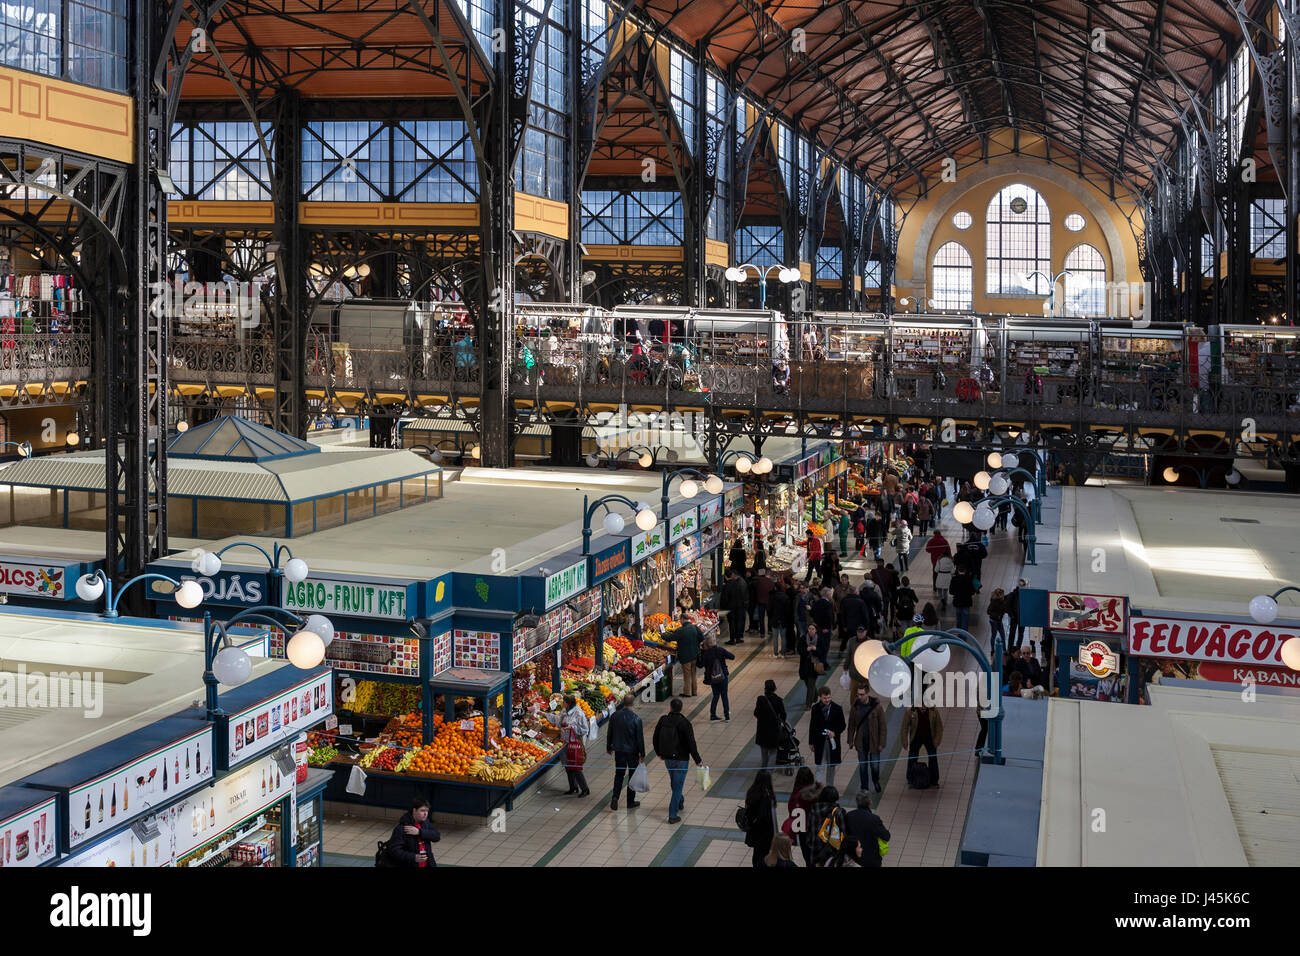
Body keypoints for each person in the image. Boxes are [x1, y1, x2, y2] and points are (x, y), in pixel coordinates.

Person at [651, 697, 702, 823]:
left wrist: (659, 753)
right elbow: (691, 743)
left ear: (670, 707)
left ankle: (680, 800)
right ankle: (672, 815)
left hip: (667, 758)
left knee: (675, 782)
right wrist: (698, 760)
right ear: (681, 709)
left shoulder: (663, 720)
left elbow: (655, 737)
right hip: (681, 759)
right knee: (677, 786)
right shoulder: (685, 723)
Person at [606, 692, 645, 811]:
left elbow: (610, 733)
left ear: (623, 702)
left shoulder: (614, 716)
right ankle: (630, 801)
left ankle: (615, 797)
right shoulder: (636, 719)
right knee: (632, 776)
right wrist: (642, 753)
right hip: (632, 752)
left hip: (619, 750)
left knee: (619, 775)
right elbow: (639, 738)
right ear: (633, 703)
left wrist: (609, 747)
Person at [846, 685, 886, 794]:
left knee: (875, 765)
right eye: (858, 694)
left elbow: (883, 726)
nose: (859, 696)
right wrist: (850, 740)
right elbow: (851, 725)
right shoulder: (855, 707)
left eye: (862, 694)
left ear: (867, 693)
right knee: (863, 766)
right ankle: (864, 787)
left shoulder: (876, 707)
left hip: (874, 742)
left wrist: (882, 743)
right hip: (861, 742)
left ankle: (875, 780)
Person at [385, 797, 441, 867]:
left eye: (427, 811)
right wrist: (413, 857)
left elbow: (437, 836)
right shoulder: (402, 828)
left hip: (427, 864)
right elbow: (394, 851)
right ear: (414, 811)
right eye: (422, 811)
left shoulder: (426, 823)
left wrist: (419, 832)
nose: (425, 814)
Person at [808, 687, 846, 788]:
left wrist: (835, 732)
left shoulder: (837, 709)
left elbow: (842, 725)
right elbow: (812, 726)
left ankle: (829, 787)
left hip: (832, 742)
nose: (827, 700)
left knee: (831, 766)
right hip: (819, 742)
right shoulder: (815, 708)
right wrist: (811, 742)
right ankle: (818, 787)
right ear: (820, 697)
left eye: (829, 697)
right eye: (825, 698)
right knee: (820, 765)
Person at [843, 790, 891, 867]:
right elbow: (886, 836)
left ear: (857, 802)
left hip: (854, 858)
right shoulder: (874, 819)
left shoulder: (849, 816)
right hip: (872, 859)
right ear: (870, 802)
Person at [901, 703, 943, 788]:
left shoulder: (933, 710)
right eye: (921, 705)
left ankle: (934, 780)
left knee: (933, 758)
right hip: (916, 737)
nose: (923, 707)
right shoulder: (910, 711)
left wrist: (937, 740)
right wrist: (905, 742)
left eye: (925, 705)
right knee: (912, 758)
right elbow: (904, 727)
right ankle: (911, 779)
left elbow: (939, 727)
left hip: (929, 737)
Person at [743, 771, 779, 867]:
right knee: (764, 855)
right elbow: (765, 817)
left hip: (754, 831)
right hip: (764, 834)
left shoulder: (751, 792)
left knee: (757, 854)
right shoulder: (766, 796)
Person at [785, 767, 819, 867]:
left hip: (803, 829)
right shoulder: (815, 791)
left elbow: (791, 809)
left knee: (808, 857)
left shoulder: (797, 792)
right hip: (816, 828)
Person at [560, 694, 591, 797]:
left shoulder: (579, 713)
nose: (562, 703)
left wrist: (572, 728)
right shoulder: (564, 710)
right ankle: (573, 787)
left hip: (575, 743)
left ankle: (585, 789)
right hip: (566, 742)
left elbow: (585, 729)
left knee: (576, 767)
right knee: (568, 767)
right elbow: (558, 720)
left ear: (568, 703)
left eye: (563, 701)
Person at [809, 785, 847, 867]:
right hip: (833, 853)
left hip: (817, 851)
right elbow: (844, 833)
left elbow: (810, 831)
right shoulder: (839, 812)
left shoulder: (814, 810)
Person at [699, 634, 735, 720]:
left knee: (715, 696)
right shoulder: (720, 650)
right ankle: (727, 715)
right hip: (723, 676)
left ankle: (713, 715)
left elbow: (700, 665)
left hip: (712, 678)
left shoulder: (706, 654)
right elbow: (732, 657)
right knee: (724, 696)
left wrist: (702, 651)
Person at [754, 679, 788, 771]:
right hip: (774, 730)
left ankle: (764, 769)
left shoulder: (760, 700)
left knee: (764, 751)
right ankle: (770, 770)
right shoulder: (778, 700)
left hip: (762, 730)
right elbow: (783, 715)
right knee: (773, 751)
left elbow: (756, 713)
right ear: (774, 688)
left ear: (765, 689)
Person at [673, 612, 702, 697]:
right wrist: (695, 643)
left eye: (680, 620)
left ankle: (687, 693)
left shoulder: (681, 630)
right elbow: (702, 637)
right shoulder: (695, 628)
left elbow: (672, 637)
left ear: (682, 619)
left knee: (687, 675)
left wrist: (663, 635)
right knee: (693, 673)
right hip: (694, 654)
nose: (680, 622)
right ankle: (694, 691)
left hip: (685, 656)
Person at [798, 623, 826, 704]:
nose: (811, 630)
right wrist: (806, 649)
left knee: (810, 686)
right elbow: (799, 650)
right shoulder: (803, 638)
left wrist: (815, 649)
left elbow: (822, 652)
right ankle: (815, 695)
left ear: (816, 630)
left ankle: (808, 704)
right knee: (808, 683)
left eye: (813, 629)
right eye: (809, 628)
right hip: (804, 665)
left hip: (814, 666)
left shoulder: (819, 640)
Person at [837, 585, 869, 653]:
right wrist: (866, 627)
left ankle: (841, 651)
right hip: (859, 625)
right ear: (856, 592)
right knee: (858, 641)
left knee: (845, 639)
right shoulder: (861, 602)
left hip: (848, 625)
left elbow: (842, 615)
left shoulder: (844, 601)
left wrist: (844, 625)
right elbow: (865, 615)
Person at [767, 577, 791, 658]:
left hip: (775, 619)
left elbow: (769, 609)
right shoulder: (786, 597)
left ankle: (775, 653)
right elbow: (788, 610)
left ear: (775, 588)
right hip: (783, 619)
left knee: (775, 637)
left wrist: (770, 618)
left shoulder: (773, 597)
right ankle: (783, 653)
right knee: (783, 637)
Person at [722, 569, 748, 645]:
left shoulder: (727, 586)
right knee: (737, 622)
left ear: (726, 577)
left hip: (731, 607)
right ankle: (738, 638)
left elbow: (725, 599)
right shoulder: (737, 584)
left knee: (731, 623)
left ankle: (732, 640)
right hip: (739, 606)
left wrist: (724, 607)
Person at [950, 566, 976, 632]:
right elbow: (973, 592)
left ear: (958, 571)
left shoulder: (954, 579)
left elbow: (951, 591)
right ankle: (964, 636)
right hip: (966, 602)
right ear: (965, 571)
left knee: (958, 619)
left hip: (957, 601)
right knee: (965, 620)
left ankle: (958, 633)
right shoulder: (969, 579)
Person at [1007, 578, 1027, 651]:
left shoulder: (1025, 595)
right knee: (1012, 633)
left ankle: (1018, 648)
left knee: (1020, 634)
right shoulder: (1013, 594)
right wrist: (1011, 615)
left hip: (1022, 618)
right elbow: (1008, 605)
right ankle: (1010, 648)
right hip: (1015, 618)